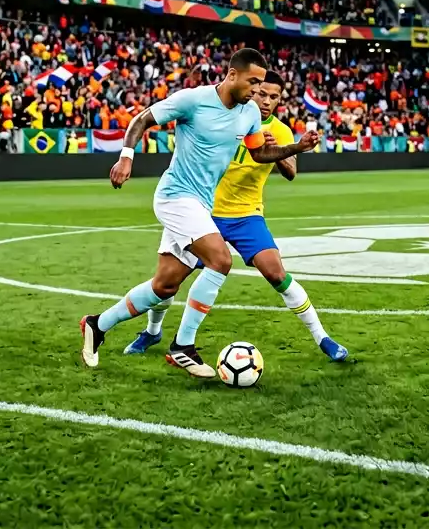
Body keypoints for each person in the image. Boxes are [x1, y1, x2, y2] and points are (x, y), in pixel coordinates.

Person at [79, 48, 320, 378]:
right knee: (220, 260)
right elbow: (142, 119)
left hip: (200, 205)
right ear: (232, 75)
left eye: (261, 84)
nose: (256, 91)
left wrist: (297, 147)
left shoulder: (248, 112)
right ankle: (182, 346)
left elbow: (260, 152)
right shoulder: (193, 100)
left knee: (164, 286)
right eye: (253, 82)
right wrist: (126, 157)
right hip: (175, 196)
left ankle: (96, 325)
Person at [122, 71, 348, 362]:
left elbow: (290, 172)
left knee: (277, 273)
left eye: (274, 97)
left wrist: (273, 150)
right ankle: (153, 331)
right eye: (261, 93)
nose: (266, 101)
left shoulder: (279, 130)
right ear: (251, 88)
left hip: (246, 215)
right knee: (167, 280)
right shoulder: (230, 114)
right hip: (205, 211)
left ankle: (323, 338)